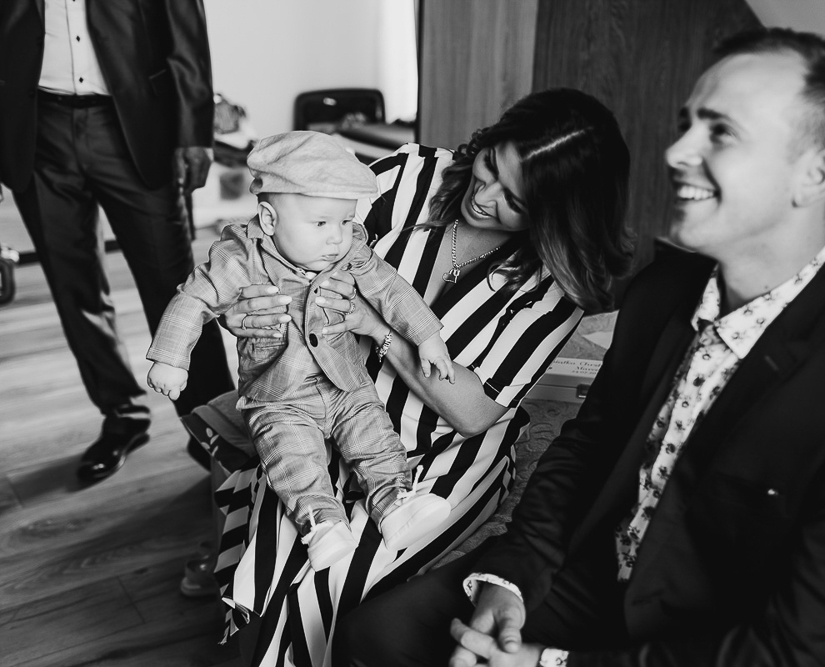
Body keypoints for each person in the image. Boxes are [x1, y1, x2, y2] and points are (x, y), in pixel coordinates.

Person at [332, 28, 825, 667]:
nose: (678, 151)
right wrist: (510, 578)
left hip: (737, 635)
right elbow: (588, 449)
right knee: (376, 637)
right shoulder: (664, 288)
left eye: (722, 132)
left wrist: (552, 665)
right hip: (602, 581)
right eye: (688, 124)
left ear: (815, 174)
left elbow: (803, 650)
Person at [209, 88, 634, 666]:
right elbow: (275, 240)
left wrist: (374, 324)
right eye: (490, 166)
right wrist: (244, 306)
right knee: (287, 536)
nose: (484, 197)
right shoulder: (409, 177)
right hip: (328, 398)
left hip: (446, 448)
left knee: (338, 578)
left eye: (515, 199)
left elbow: (474, 412)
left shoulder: (556, 285)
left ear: (558, 214)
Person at [148, 131, 456, 570]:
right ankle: (321, 523)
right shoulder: (240, 257)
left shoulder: (350, 251)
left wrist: (426, 335)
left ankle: (394, 501)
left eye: (345, 222)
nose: (337, 238)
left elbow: (390, 288)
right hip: (279, 395)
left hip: (345, 383)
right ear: (269, 220)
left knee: (374, 436)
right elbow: (194, 298)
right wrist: (171, 358)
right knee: (292, 458)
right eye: (321, 224)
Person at [0, 0, 234, 481]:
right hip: (36, 125)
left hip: (134, 123)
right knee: (74, 288)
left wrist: (195, 130)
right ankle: (122, 413)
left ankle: (215, 431)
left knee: (177, 290)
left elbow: (185, 33)